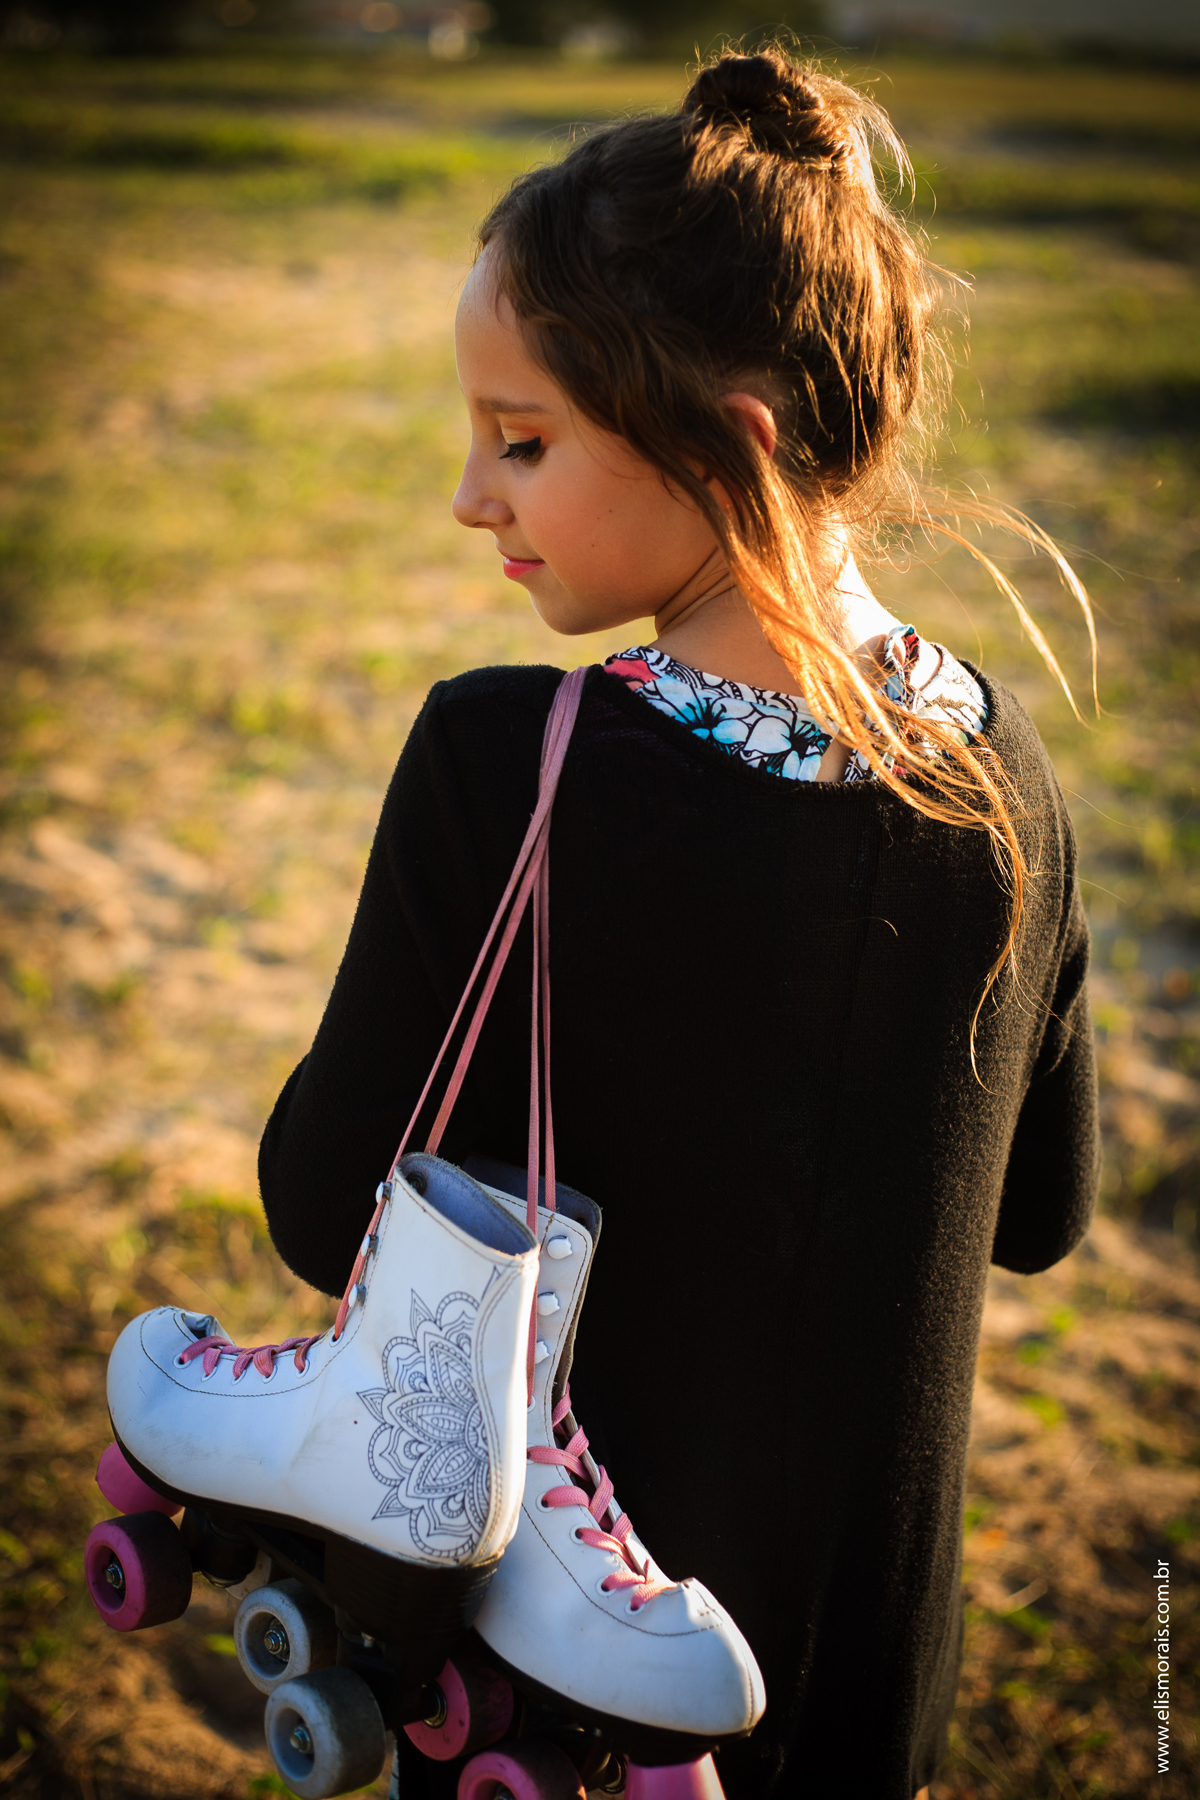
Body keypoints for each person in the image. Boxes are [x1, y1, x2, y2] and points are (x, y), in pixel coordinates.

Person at [258, 48, 1100, 1800]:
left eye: (523, 438)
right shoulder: (1011, 783)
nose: (472, 496)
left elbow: (321, 1201)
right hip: (865, 1681)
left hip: (556, 1686)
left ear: (730, 443)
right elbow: (1040, 1213)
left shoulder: (515, 767)